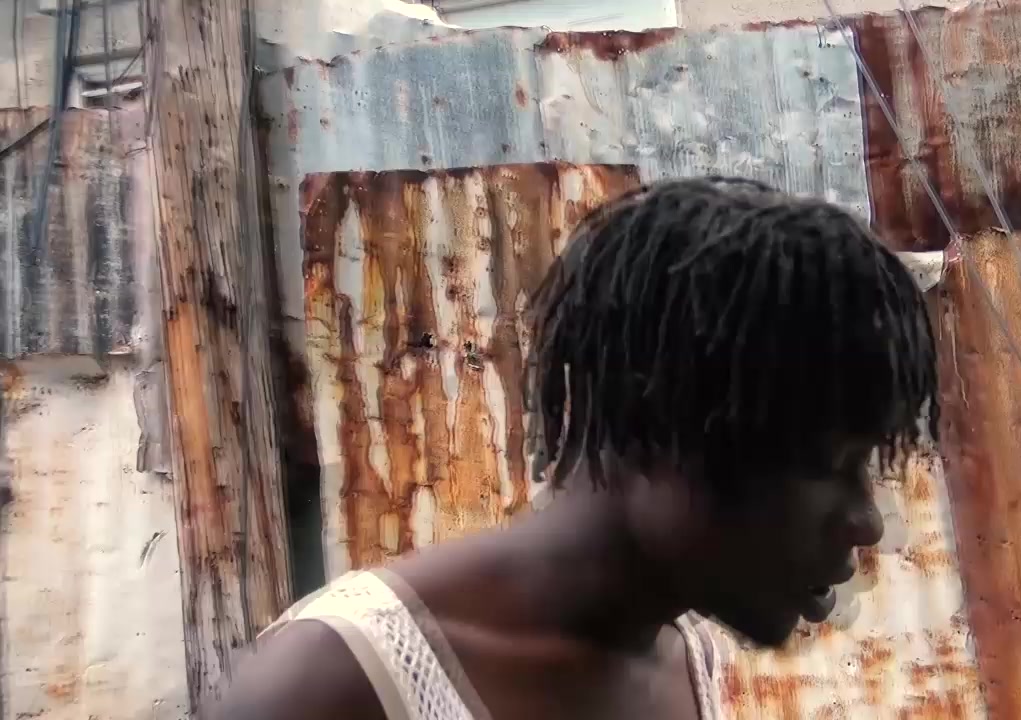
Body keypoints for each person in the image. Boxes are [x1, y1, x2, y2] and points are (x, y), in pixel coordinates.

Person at [201, 176, 940, 720]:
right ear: (662, 421)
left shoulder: (686, 662)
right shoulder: (332, 685)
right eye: (829, 465)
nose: (866, 523)